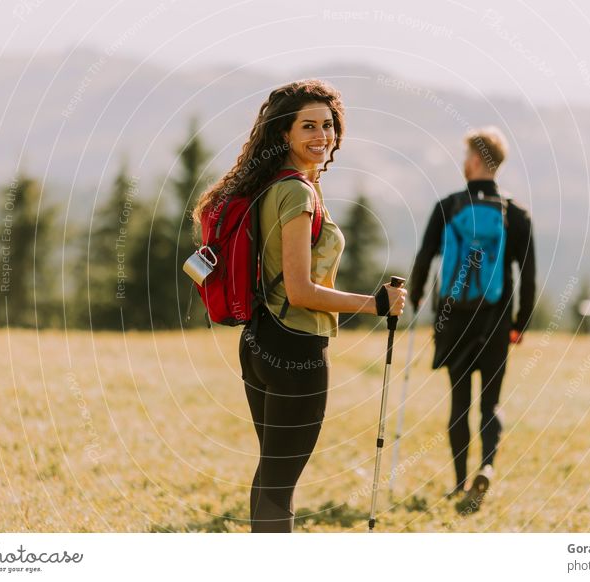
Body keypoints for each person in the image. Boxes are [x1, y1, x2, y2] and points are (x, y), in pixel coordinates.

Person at [193, 79, 406, 532]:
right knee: (279, 482)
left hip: (259, 342)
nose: (321, 136)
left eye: (328, 125)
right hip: (295, 349)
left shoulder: (271, 186)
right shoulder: (295, 194)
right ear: (283, 134)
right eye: (307, 125)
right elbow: (300, 291)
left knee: (272, 475)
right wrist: (378, 304)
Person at [408, 126, 535, 515]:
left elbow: (425, 257)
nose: (464, 163)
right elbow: (527, 275)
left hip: (453, 319)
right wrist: (520, 323)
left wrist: (415, 299)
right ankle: (488, 466)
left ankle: (460, 482)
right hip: (495, 321)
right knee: (491, 403)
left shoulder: (448, 206)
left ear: (477, 160)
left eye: (466, 156)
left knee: (459, 401)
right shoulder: (515, 214)